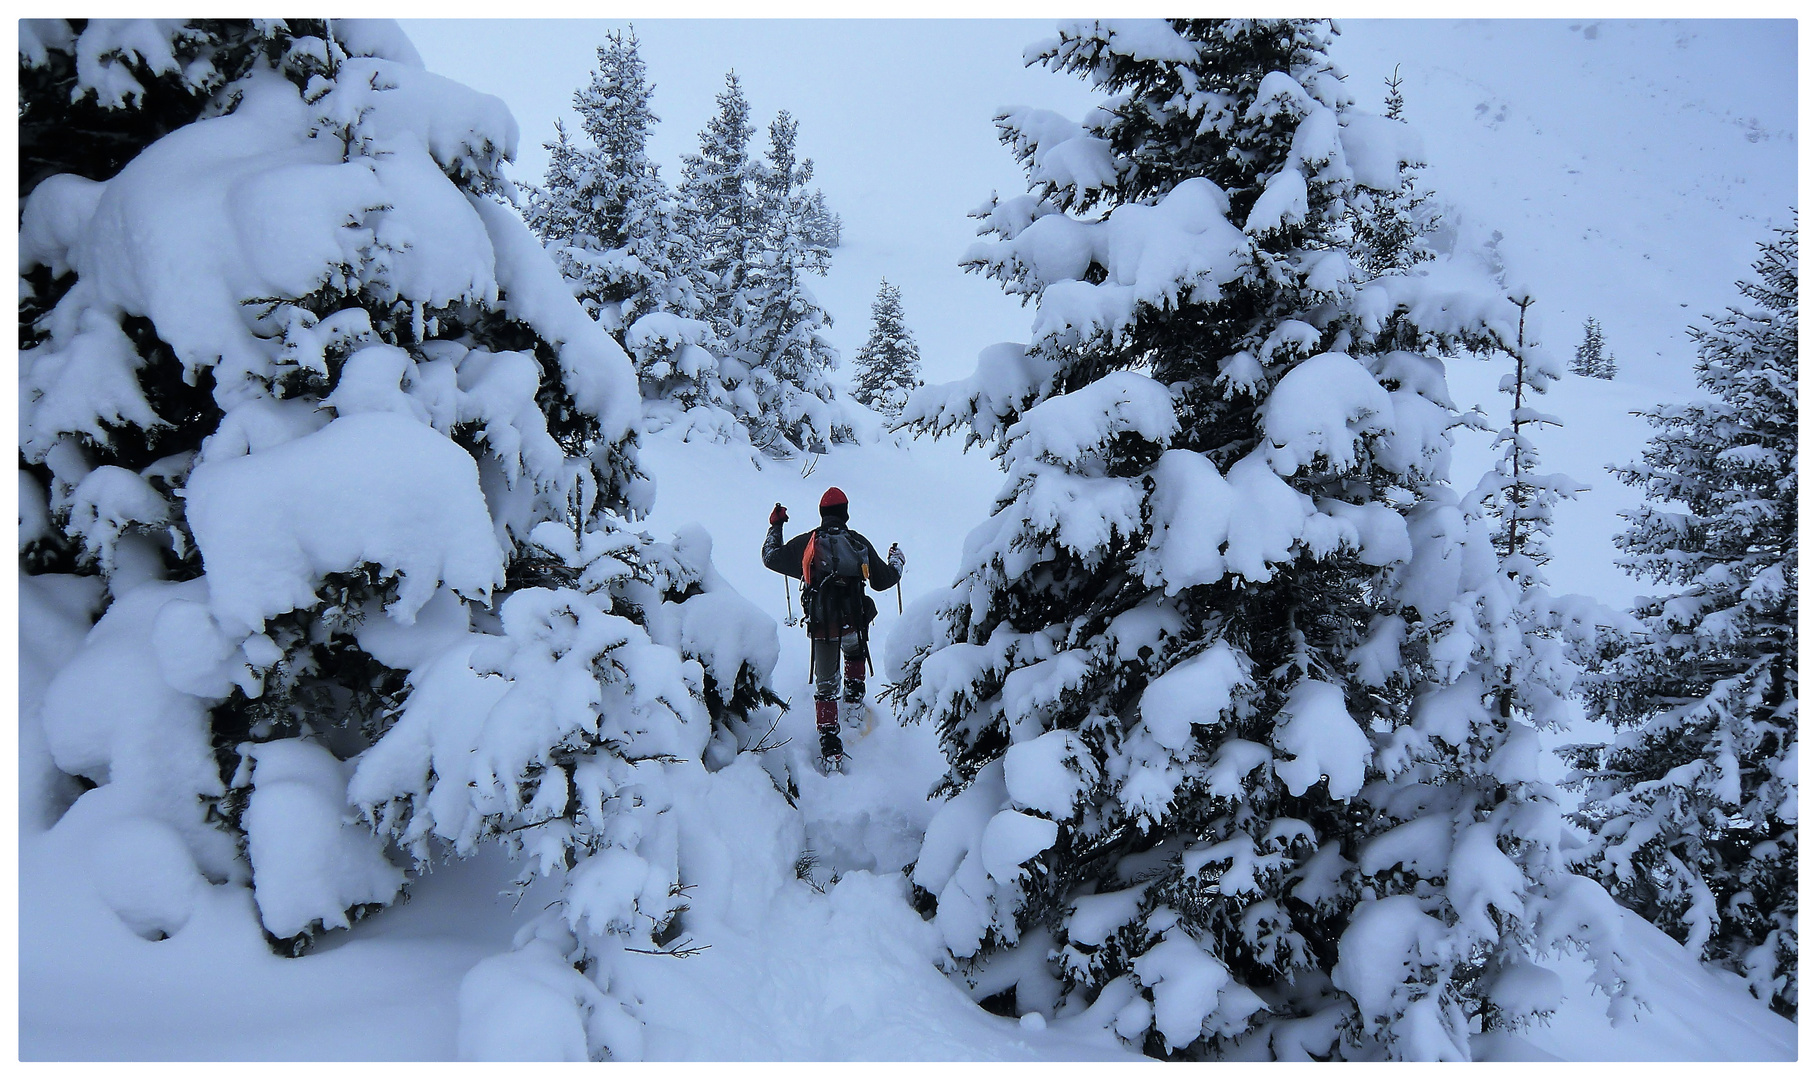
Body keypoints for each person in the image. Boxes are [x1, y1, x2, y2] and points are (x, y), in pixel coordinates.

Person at [763, 487, 904, 769]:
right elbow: (883, 580)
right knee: (854, 654)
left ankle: (830, 745)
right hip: (853, 621)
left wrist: (775, 526)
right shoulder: (857, 542)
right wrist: (897, 561)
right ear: (845, 513)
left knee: (825, 685)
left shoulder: (809, 543)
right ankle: (853, 703)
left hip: (822, 625)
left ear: (822, 514)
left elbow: (771, 557)